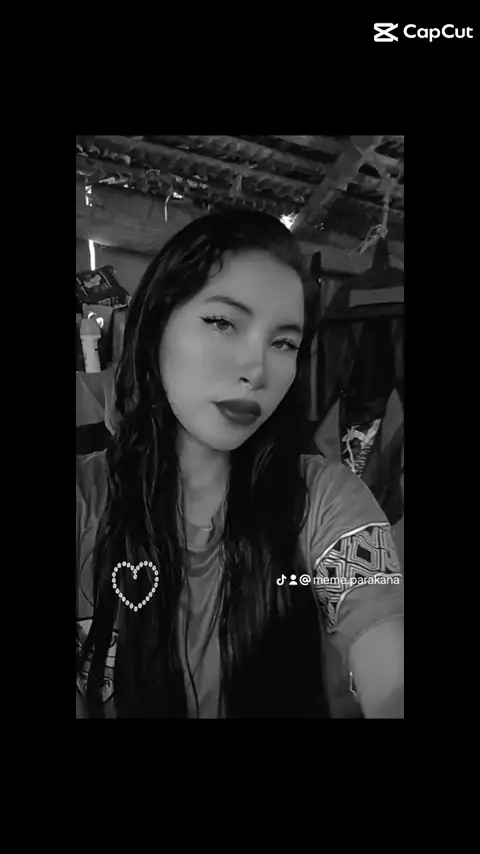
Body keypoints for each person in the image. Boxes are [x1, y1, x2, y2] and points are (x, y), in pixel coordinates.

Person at [76, 210, 404, 719]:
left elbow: (389, 659)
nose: (257, 368)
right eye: (223, 322)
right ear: (156, 326)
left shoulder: (325, 502)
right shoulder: (84, 498)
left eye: (284, 342)